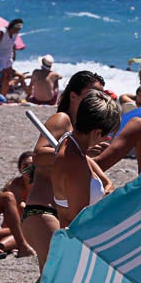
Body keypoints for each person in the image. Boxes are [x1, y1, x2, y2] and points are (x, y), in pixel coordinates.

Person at [21, 70, 109, 269]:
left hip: (63, 214)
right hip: (43, 209)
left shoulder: (80, 133)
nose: (96, 99)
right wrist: (75, 153)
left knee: (60, 279)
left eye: (100, 95)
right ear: (73, 96)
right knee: (55, 276)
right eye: (91, 94)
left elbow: (90, 172)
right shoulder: (62, 120)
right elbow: (39, 155)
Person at [52, 90, 122, 227]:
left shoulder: (69, 143)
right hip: (76, 244)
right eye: (106, 137)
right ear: (97, 133)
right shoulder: (76, 165)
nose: (106, 141)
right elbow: (80, 223)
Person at [0, 18, 23, 97]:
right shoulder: (2, 33)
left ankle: (3, 95)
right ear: (13, 27)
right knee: (2, 75)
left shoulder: (15, 34)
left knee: (8, 76)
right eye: (17, 29)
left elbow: (13, 44)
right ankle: (1, 94)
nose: (17, 32)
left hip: (8, 55)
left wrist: (14, 54)